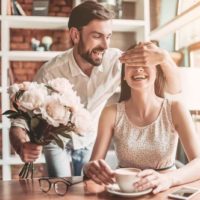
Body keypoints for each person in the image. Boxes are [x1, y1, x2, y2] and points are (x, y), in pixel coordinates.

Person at [9, 1, 181, 177]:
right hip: (56, 141)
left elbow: (175, 89)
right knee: (61, 188)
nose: (105, 46)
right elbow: (20, 121)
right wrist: (22, 144)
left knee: (87, 185)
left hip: (90, 139)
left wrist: (164, 58)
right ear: (75, 35)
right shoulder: (50, 72)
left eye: (108, 37)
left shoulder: (116, 61)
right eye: (97, 36)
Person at [83, 44, 200, 194]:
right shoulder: (110, 113)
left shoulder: (175, 108)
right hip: (125, 193)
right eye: (132, 64)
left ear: (157, 72)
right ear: (124, 75)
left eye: (145, 63)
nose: (139, 69)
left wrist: (169, 179)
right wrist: (89, 168)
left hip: (165, 192)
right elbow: (94, 164)